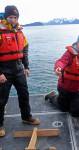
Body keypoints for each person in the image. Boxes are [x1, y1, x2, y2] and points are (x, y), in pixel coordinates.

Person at [0, 5, 40, 137]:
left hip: (19, 69)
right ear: (6, 17)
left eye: (15, 17)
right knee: (2, 99)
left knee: (24, 94)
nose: (13, 20)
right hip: (4, 71)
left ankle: (26, 117)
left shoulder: (20, 32)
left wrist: (26, 67)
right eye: (10, 17)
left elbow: (25, 50)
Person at [47, 34, 79, 117]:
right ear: (77, 43)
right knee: (63, 109)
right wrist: (58, 68)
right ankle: (52, 96)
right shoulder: (69, 53)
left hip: (78, 89)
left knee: (75, 112)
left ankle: (73, 103)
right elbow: (61, 61)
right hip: (65, 87)